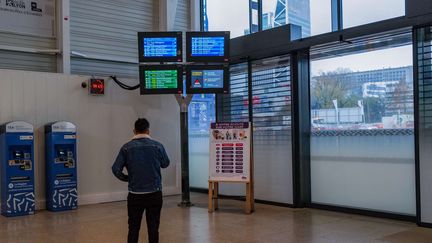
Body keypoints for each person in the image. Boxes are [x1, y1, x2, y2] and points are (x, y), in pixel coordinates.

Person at [112, 118, 170, 243]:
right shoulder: (158, 146)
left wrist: (128, 178)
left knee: (133, 228)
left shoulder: (126, 148)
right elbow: (165, 163)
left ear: (134, 131)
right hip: (155, 194)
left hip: (135, 195)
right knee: (153, 228)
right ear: (148, 131)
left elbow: (116, 169)